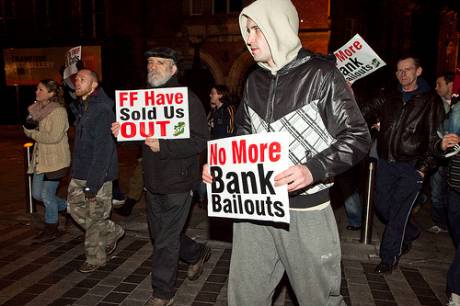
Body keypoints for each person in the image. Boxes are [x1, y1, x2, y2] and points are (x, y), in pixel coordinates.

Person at [203, 0, 371, 304]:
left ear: (278, 28)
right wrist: (220, 167)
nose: (249, 38)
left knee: (318, 299)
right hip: (254, 208)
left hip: (306, 211)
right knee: (244, 298)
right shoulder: (253, 81)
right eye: (247, 30)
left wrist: (312, 170)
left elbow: (358, 138)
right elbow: (242, 136)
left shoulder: (322, 75)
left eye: (256, 30)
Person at [112, 47, 210, 306]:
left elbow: (200, 141)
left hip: (179, 181)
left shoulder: (187, 100)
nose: (152, 67)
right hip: (152, 181)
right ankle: (197, 252)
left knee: (165, 240)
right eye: (149, 63)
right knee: (162, 234)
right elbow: (141, 137)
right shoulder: (142, 100)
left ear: (173, 69)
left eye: (159, 63)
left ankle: (163, 293)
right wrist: (124, 129)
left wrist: (163, 146)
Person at [370, 57, 445, 274]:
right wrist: (347, 91)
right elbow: (366, 108)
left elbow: (435, 138)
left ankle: (388, 256)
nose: (403, 74)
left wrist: (423, 168)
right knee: (383, 206)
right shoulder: (390, 96)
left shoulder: (430, 100)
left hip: (411, 166)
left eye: (408, 69)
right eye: (399, 70)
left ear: (418, 71)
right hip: (386, 161)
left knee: (400, 212)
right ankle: (410, 232)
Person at [67, 69, 125, 273]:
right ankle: (112, 231)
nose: (77, 82)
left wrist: (93, 184)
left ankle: (95, 258)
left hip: (97, 175)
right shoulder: (84, 106)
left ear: (94, 85)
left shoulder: (102, 109)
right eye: (76, 79)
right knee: (74, 209)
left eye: (83, 79)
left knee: (93, 219)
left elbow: (103, 150)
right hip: (80, 173)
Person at [23, 79, 71, 243]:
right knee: (37, 194)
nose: (37, 92)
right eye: (37, 89)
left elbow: (54, 137)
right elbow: (28, 127)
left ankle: (51, 228)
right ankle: (68, 208)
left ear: (51, 93)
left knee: (46, 194)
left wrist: (32, 134)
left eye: (41, 90)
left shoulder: (58, 112)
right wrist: (28, 126)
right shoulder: (36, 109)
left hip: (56, 160)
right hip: (40, 160)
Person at [434, 91, 460, 306]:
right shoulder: (457, 112)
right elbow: (440, 146)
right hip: (456, 187)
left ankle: (455, 292)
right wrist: (442, 145)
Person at [426, 71, 455, 234]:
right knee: (436, 189)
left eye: (440, 84)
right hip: (439, 154)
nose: (436, 88)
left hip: (455, 157)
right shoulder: (435, 104)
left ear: (450, 85)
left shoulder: (457, 105)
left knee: (451, 192)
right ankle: (439, 222)